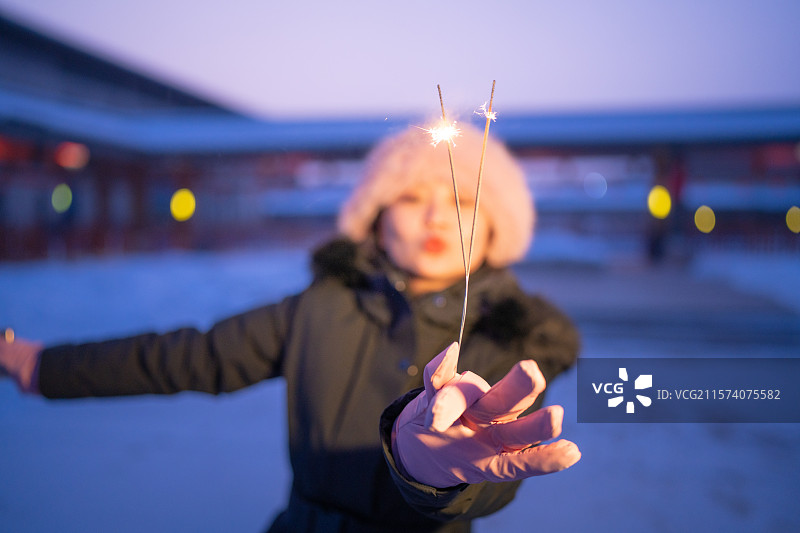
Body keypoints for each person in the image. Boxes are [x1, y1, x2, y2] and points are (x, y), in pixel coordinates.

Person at [0, 123, 581, 532]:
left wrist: (438, 477)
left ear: (494, 229)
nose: (435, 215)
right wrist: (41, 365)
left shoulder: (517, 335)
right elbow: (188, 357)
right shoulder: (318, 309)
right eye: (410, 195)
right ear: (375, 221)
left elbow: (503, 469)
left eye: (460, 198)